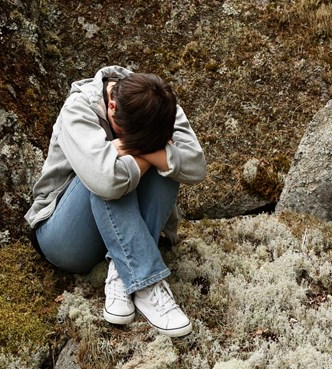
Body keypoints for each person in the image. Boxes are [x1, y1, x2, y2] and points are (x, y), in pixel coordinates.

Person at [24, 65, 206, 337]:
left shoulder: (157, 105)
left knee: (166, 171)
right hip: (64, 236)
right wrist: (155, 151)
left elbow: (196, 166)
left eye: (148, 142)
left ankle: (123, 273)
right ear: (111, 105)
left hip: (117, 227)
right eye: (132, 137)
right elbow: (105, 181)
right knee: (107, 176)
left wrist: (125, 147)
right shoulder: (79, 107)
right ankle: (146, 280)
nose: (142, 143)